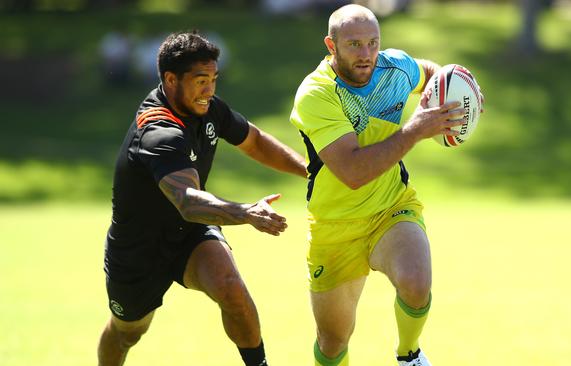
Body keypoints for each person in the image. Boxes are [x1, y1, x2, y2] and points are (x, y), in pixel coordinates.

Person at [98, 31, 307, 366]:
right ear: (170, 79)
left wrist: (309, 171)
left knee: (230, 287)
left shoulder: (209, 108)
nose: (209, 89)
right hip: (139, 248)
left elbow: (254, 141)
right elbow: (189, 201)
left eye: (212, 79)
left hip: (190, 233)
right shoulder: (158, 131)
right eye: (200, 80)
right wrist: (246, 212)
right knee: (128, 332)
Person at [289, 4, 482, 366]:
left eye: (373, 44)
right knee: (333, 341)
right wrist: (416, 129)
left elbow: (428, 73)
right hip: (335, 224)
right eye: (354, 45)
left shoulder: (393, 66)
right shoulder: (316, 95)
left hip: (391, 206)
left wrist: (459, 96)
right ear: (331, 46)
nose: (366, 55)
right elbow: (353, 171)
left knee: (415, 280)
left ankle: (409, 356)